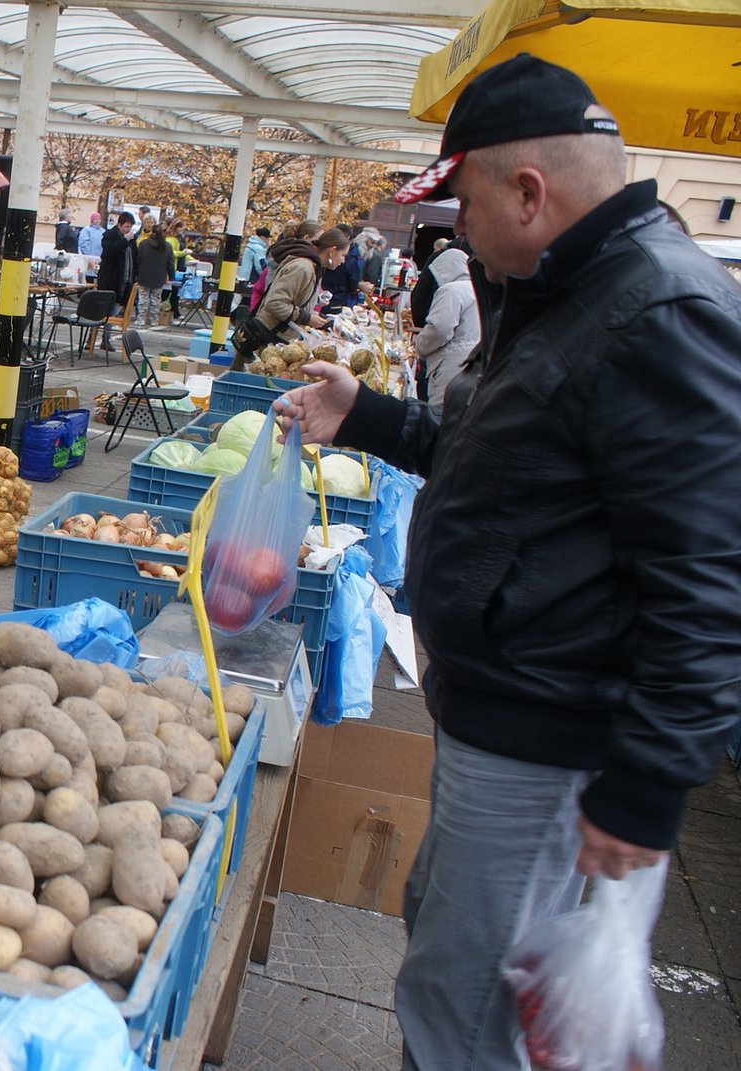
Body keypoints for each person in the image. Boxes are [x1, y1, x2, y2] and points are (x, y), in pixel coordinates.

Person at [273, 54, 741, 1071]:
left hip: (555, 748)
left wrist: (648, 787)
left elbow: (709, 573)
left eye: (463, 202)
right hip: (507, 724)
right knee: (454, 969)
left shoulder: (656, 314)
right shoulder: (570, 293)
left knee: (474, 1013)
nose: (455, 230)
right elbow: (509, 474)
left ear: (528, 192)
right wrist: (372, 418)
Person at [234, 225, 344, 370]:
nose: (343, 260)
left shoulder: (312, 267)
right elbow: (275, 302)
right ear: (332, 251)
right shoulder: (303, 268)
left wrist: (314, 316)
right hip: (267, 340)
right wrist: (307, 318)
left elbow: (293, 300)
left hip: (275, 340)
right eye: (343, 255)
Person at [410, 245, 476, 417]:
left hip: (449, 367)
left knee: (438, 416)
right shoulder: (476, 290)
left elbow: (439, 329)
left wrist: (419, 346)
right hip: (470, 369)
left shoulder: (452, 290)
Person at [96, 211, 136, 349]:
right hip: (110, 279)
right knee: (103, 310)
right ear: (119, 225)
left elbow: (133, 258)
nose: (128, 230)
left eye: (130, 227)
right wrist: (124, 240)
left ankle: (106, 339)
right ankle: (96, 338)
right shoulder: (110, 236)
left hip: (124, 279)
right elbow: (109, 253)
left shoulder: (131, 240)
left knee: (114, 310)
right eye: (126, 227)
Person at [133, 221, 173, 329]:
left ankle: (141, 319)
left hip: (144, 275)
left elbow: (138, 260)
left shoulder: (143, 244)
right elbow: (170, 263)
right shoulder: (167, 246)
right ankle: (154, 320)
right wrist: (171, 275)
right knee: (156, 299)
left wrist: (136, 273)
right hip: (159, 276)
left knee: (143, 298)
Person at [77, 211, 104, 281]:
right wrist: (89, 258)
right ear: (92, 220)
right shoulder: (86, 230)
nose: (97, 221)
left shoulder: (103, 231)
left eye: (99, 219)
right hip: (88, 261)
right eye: (96, 219)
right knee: (88, 279)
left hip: (99, 260)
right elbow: (83, 245)